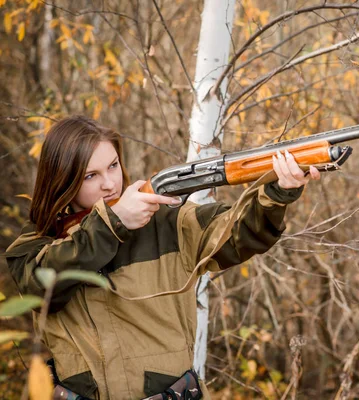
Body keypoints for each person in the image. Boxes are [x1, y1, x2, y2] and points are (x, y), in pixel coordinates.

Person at [5, 115, 320, 400]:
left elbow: (241, 233)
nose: (109, 183)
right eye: (90, 176)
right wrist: (112, 224)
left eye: (113, 166)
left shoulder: (165, 221)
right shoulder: (34, 244)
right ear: (62, 180)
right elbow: (41, 286)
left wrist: (278, 192)